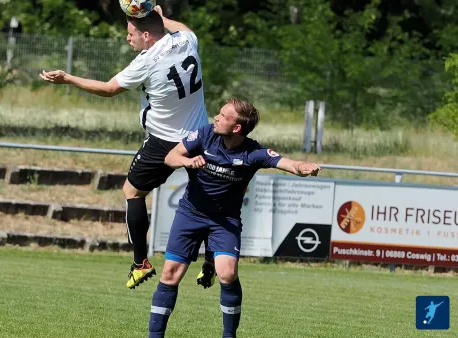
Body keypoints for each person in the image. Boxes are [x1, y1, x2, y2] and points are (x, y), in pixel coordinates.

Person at [39, 6, 211, 289]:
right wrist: (160, 15)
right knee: (207, 198)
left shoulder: (146, 61)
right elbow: (183, 29)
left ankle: (140, 262)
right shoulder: (185, 41)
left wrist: (67, 78)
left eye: (131, 34)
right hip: (200, 136)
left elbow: (108, 89)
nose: (127, 38)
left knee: (133, 192)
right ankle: (211, 261)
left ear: (146, 35)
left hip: (165, 141)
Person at [147, 98, 321, 337]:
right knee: (170, 274)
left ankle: (229, 335)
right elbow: (171, 156)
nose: (216, 118)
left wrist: (302, 167)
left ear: (236, 127)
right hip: (190, 214)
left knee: (227, 273)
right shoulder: (206, 134)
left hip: (224, 221)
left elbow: (287, 163)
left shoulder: (252, 152)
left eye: (222, 116)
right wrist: (188, 160)